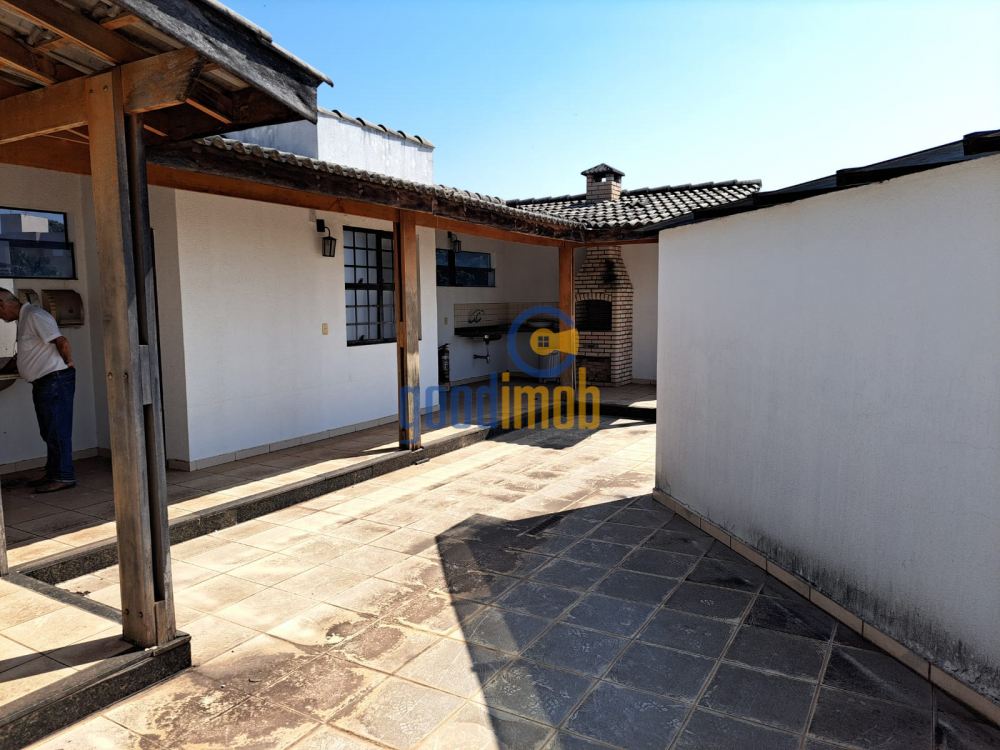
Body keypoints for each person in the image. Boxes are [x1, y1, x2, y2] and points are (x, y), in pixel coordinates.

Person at [0, 288, 76, 493]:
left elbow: (61, 341)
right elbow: (25, 354)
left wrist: (68, 364)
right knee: (49, 430)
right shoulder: (24, 318)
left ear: (2, 303)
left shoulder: (35, 315)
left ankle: (63, 476)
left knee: (57, 430)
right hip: (45, 382)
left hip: (54, 380)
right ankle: (53, 473)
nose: (0, 317)